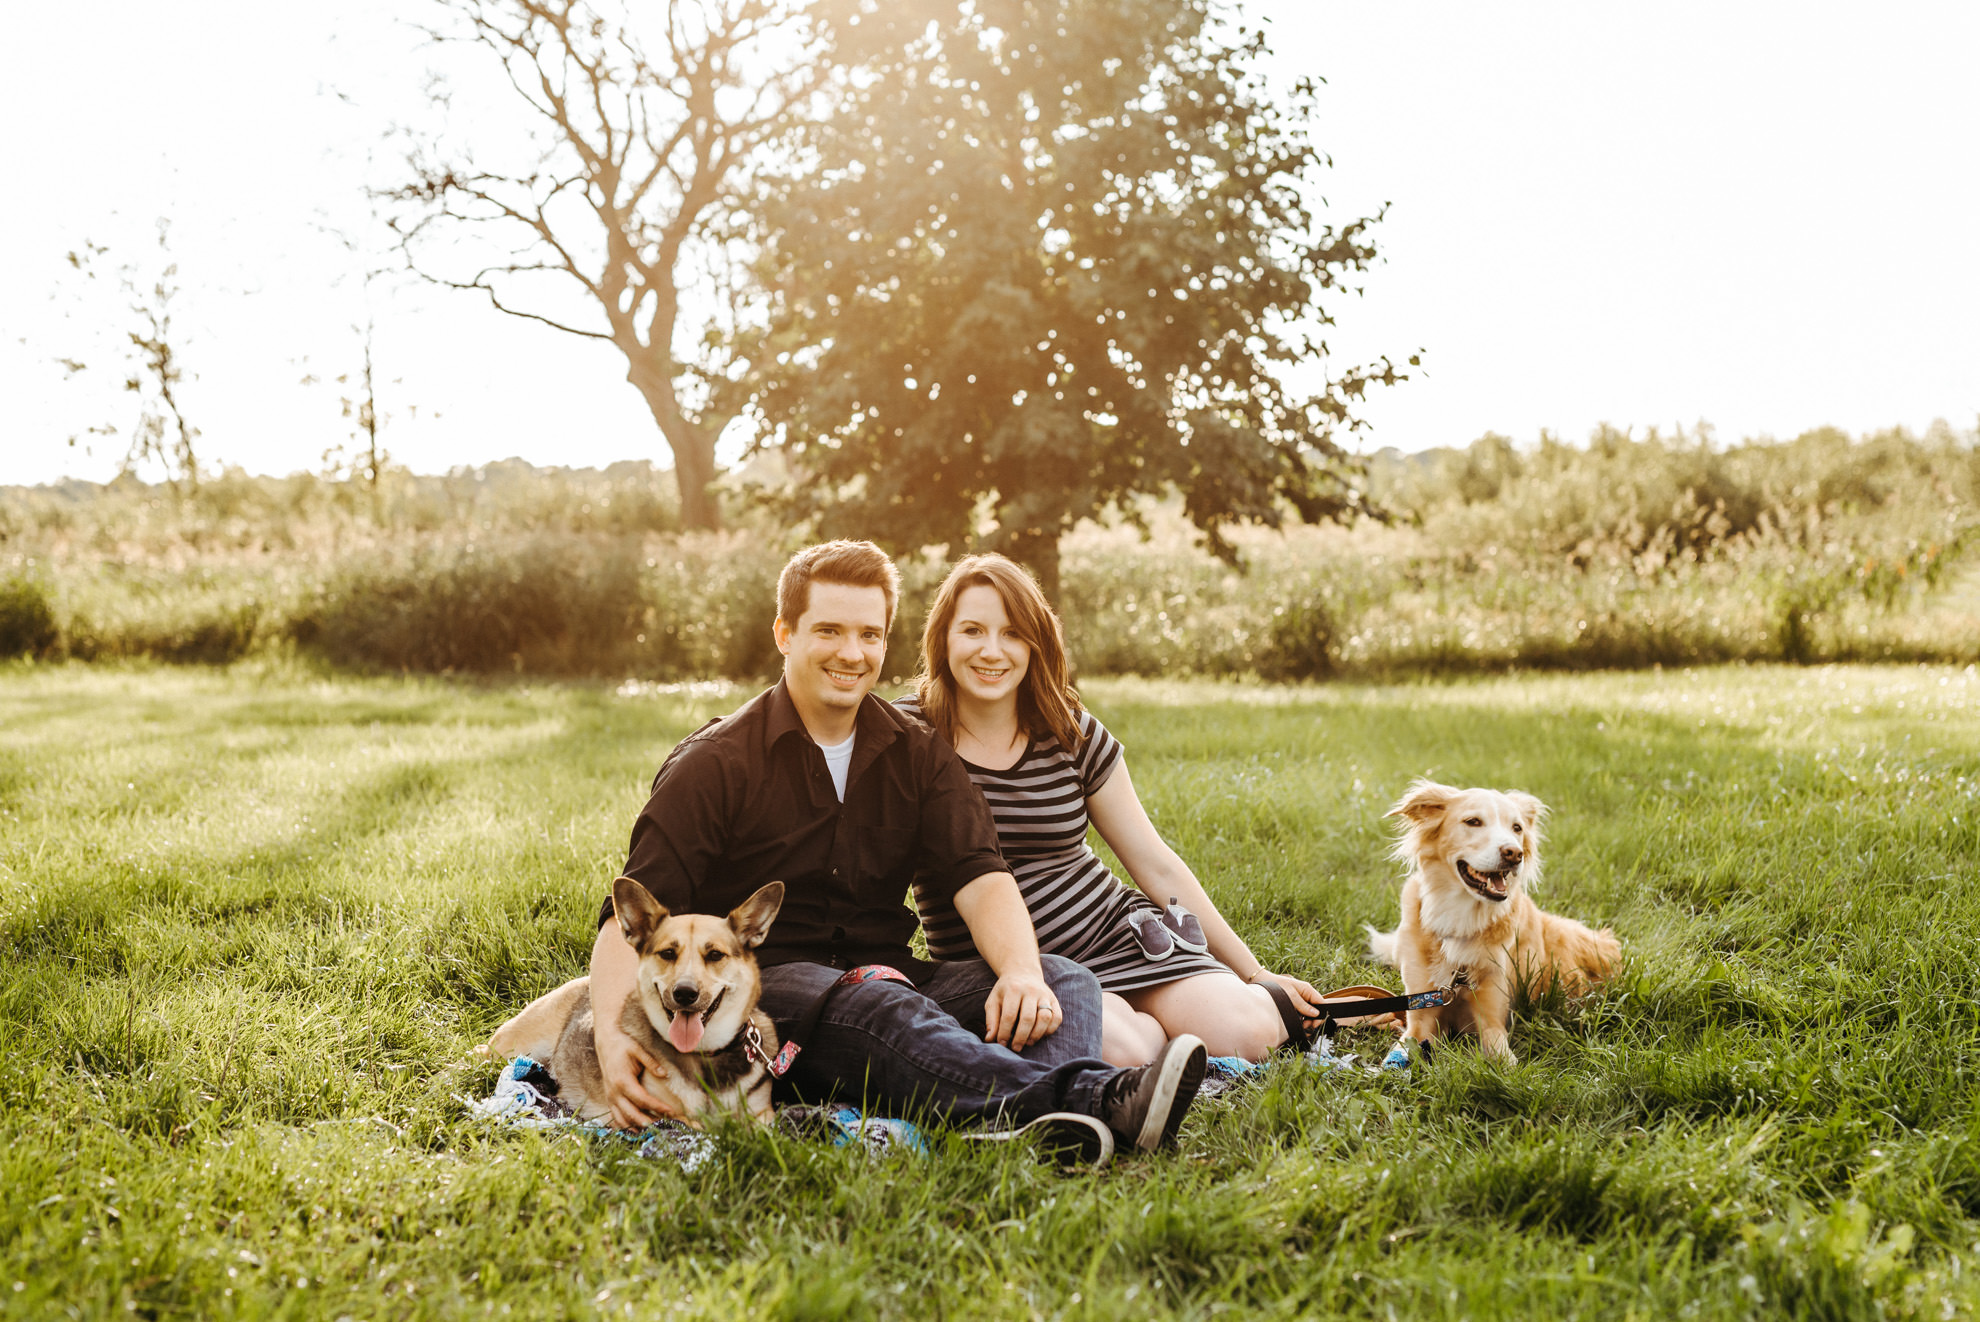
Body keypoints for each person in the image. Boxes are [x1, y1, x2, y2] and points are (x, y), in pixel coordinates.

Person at [588, 540, 1206, 1156]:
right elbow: (628, 918)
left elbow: (981, 875)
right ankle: (1097, 1101)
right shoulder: (715, 763)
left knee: (1060, 978)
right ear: (784, 633)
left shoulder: (915, 750)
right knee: (879, 1005)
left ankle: (1034, 1128)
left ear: (886, 641)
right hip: (762, 995)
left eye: (869, 634)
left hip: (888, 972)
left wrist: (1020, 973)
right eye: (829, 630)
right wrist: (614, 1040)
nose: (851, 653)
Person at [904, 553, 1364, 1067]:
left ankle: (1264, 1009)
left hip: (1113, 933)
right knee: (1123, 1051)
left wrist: (1254, 973)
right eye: (972, 630)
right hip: (1013, 967)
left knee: (1247, 1033)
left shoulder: (1067, 727)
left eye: (1012, 633)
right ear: (942, 638)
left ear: (1036, 644)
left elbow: (1152, 859)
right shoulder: (906, 734)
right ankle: (1155, 1037)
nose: (992, 651)